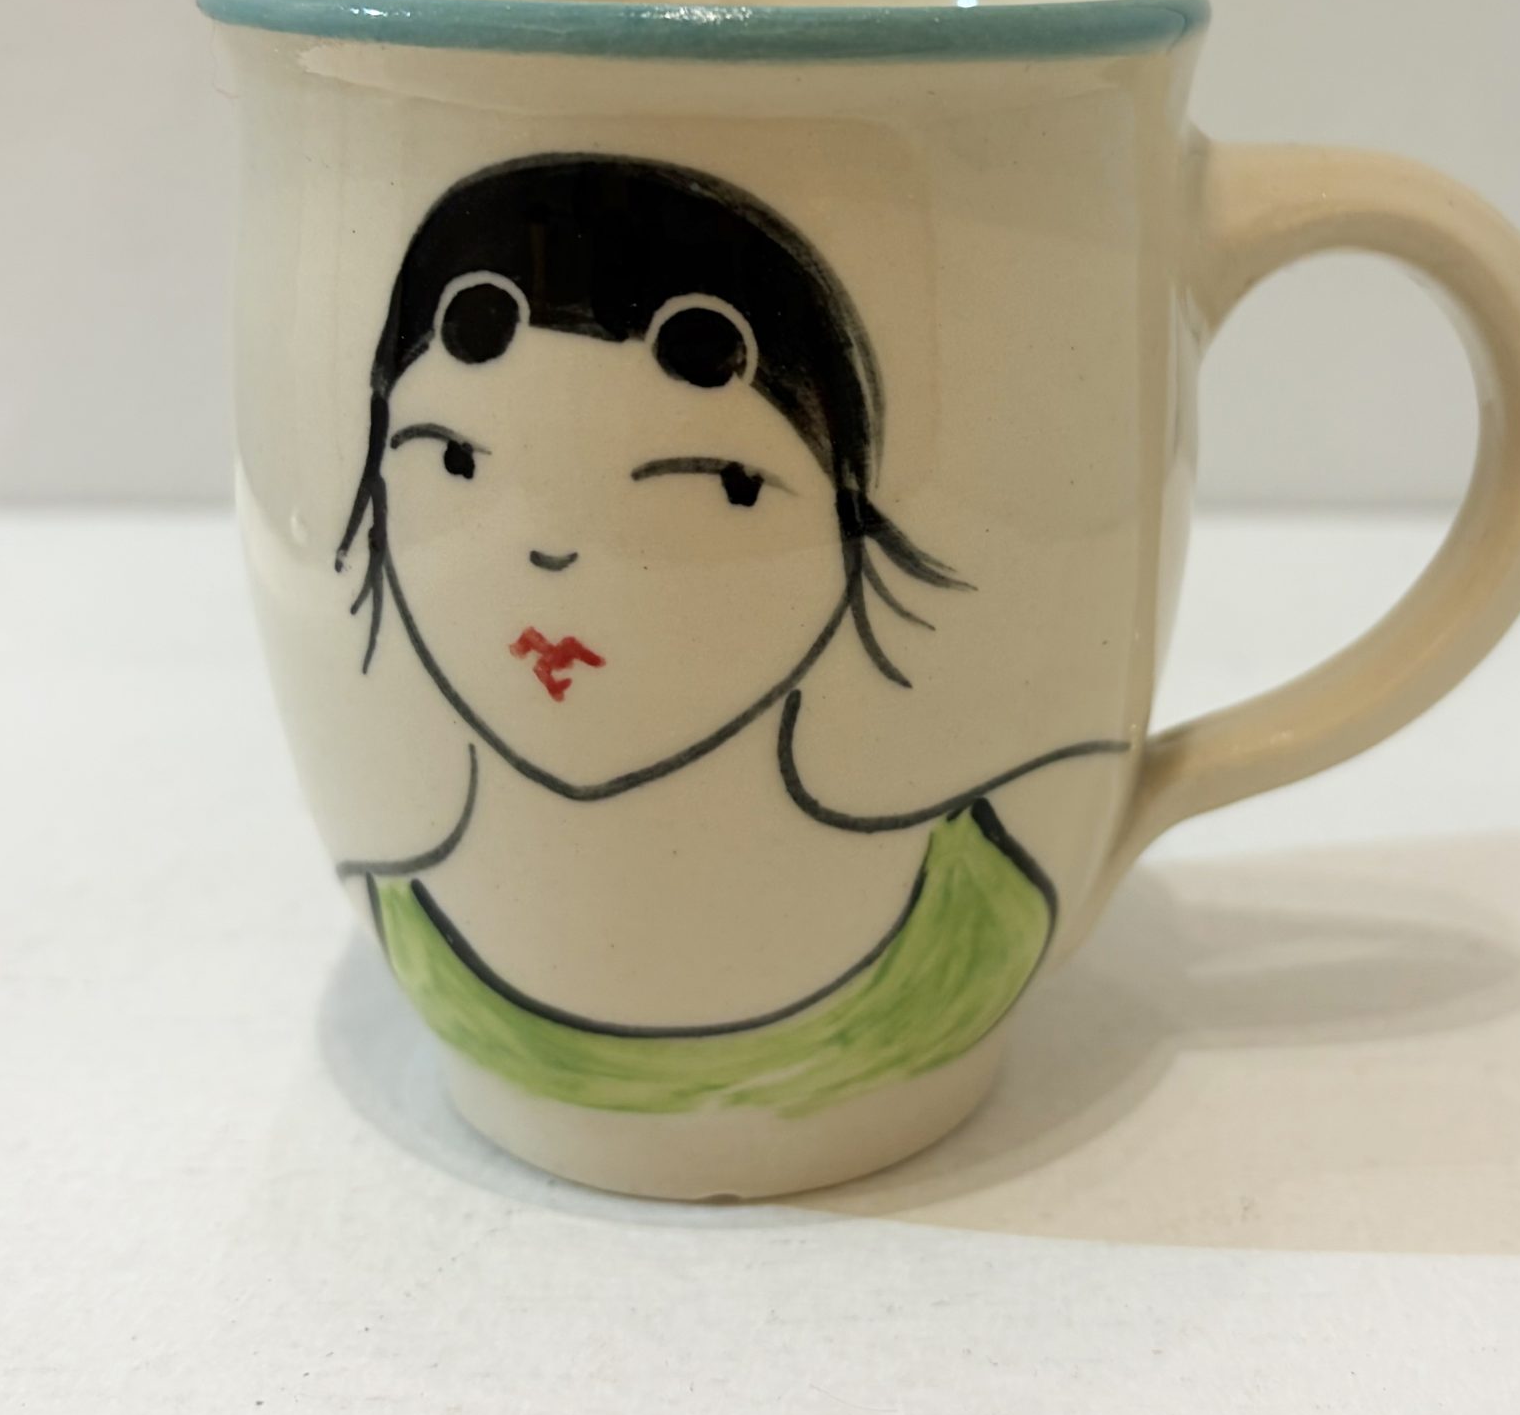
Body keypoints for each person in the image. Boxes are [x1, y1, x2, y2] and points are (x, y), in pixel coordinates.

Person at [337, 152, 1120, 1119]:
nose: (554, 550)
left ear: (846, 519)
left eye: (713, 484)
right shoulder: (412, 927)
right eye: (455, 462)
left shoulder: (977, 912)